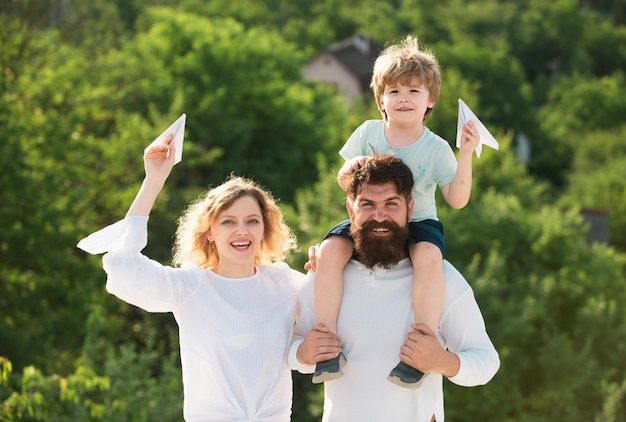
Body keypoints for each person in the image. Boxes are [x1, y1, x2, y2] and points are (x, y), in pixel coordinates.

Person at [77, 133, 304, 421]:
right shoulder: (191, 285)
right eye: (228, 222)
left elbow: (332, 308)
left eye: (252, 221)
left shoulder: (283, 282)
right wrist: (153, 181)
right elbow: (122, 266)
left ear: (264, 228)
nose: (242, 231)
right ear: (210, 231)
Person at [312, 35, 481, 388]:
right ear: (381, 100)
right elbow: (345, 179)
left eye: (414, 92)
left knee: (430, 260)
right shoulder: (369, 131)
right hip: (371, 217)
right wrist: (353, 167)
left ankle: (420, 346)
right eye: (395, 92)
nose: (404, 99)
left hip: (418, 224)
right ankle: (327, 342)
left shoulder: (435, 147)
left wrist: (466, 153)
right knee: (328, 251)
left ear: (430, 100)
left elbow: (457, 198)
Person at [290, 155, 499, 422]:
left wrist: (443, 362)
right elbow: (293, 352)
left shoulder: (441, 277)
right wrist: (303, 353)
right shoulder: (326, 275)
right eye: (367, 204)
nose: (380, 216)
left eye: (391, 204)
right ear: (350, 209)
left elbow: (486, 361)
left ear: (410, 209)